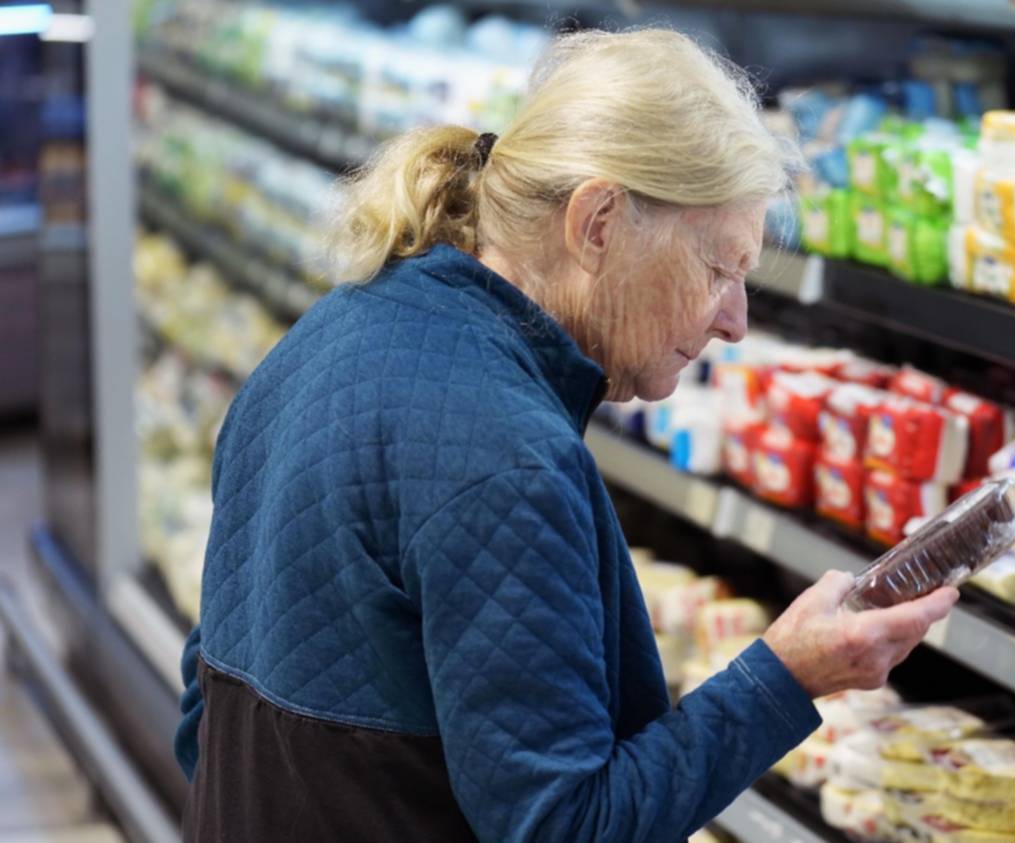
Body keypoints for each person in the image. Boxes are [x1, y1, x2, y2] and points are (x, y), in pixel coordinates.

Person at [175, 28, 958, 842]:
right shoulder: (508, 461)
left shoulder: (320, 338)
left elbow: (207, 710)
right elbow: (566, 828)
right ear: (598, 222)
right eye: (719, 269)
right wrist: (786, 678)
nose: (735, 320)